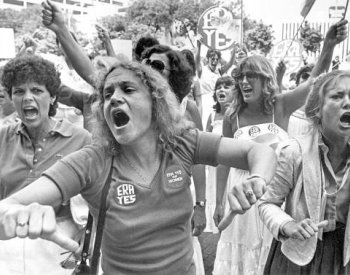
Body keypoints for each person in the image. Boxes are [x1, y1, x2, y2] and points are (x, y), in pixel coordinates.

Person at [0, 60, 276, 274]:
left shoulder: (182, 143)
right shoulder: (93, 161)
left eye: (128, 90)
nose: (114, 99)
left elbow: (258, 150)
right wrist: (14, 215)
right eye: (107, 95)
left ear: (155, 102)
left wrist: (257, 180)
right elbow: (8, 207)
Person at [213, 19, 348, 275]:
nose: (243, 81)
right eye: (240, 76)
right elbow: (223, 161)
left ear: (266, 79)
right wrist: (219, 202)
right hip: (242, 194)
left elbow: (315, 83)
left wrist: (328, 45)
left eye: (250, 75)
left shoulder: (280, 106)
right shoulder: (233, 116)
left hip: (273, 193)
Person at [0, 54, 91, 274]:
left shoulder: (81, 139)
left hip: (57, 246)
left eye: (37, 90)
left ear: (52, 98)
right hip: (7, 244)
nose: (27, 98)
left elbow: (93, 202)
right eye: (19, 91)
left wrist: (86, 238)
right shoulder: (2, 137)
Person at [259, 70, 350, 274]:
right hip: (297, 257)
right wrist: (288, 225)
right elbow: (267, 203)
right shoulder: (293, 151)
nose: (348, 103)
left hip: (342, 257)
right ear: (318, 109)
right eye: (337, 96)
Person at [205, 75, 237, 234]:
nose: (221, 90)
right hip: (215, 167)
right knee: (217, 197)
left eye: (226, 86)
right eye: (219, 87)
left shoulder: (239, 114)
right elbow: (204, 140)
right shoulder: (212, 116)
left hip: (233, 167)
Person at [195, 40, 236, 128]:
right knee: (205, 122)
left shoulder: (219, 71)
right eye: (212, 58)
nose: (214, 61)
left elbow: (230, 64)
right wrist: (199, 47)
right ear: (208, 58)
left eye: (217, 59)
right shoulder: (201, 70)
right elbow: (197, 61)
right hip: (204, 101)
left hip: (217, 99)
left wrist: (234, 49)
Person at [287, 64, 315, 137]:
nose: (308, 80)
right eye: (305, 76)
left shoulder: (320, 111)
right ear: (297, 82)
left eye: (311, 77)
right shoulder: (286, 103)